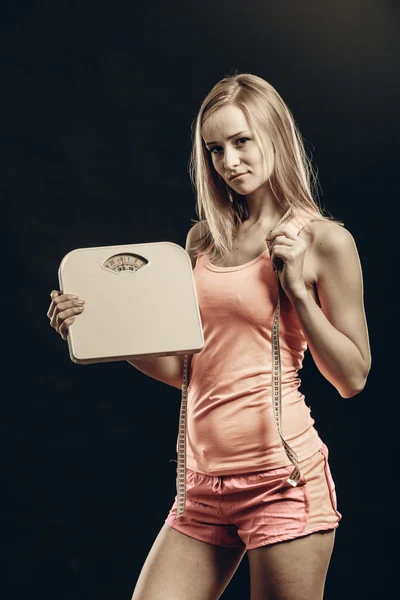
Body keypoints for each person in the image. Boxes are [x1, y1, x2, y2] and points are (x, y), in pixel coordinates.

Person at [47, 73, 371, 600]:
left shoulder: (324, 240)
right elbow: (187, 370)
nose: (230, 162)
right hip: (201, 486)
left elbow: (352, 376)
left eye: (242, 141)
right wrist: (99, 332)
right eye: (216, 149)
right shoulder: (204, 239)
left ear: (274, 136)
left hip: (280, 481)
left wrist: (298, 291)